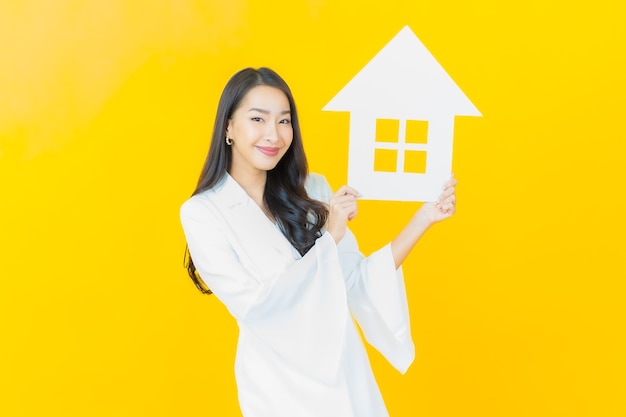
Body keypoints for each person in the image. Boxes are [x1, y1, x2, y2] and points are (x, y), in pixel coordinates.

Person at [180, 67, 456, 417]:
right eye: (257, 119)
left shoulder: (313, 190)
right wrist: (330, 238)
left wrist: (424, 218)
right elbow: (256, 308)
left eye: (284, 121)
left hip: (346, 374)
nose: (274, 135)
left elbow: (357, 282)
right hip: (279, 387)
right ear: (229, 127)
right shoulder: (204, 213)